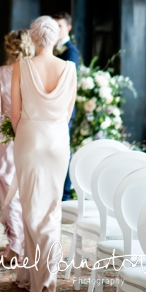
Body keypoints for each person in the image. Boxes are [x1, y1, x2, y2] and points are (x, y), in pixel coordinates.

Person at [8, 16, 77, 292]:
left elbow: (15, 113)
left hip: (30, 140)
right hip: (58, 143)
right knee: (51, 210)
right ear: (53, 37)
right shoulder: (69, 68)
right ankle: (38, 278)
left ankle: (39, 280)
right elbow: (68, 113)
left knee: (31, 208)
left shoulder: (21, 66)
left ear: (33, 38)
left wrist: (24, 133)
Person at [0, 30, 34, 260]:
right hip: (30, 136)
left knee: (9, 190)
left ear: (8, 48)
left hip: (6, 137)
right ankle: (25, 241)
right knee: (26, 190)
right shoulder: (35, 71)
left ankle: (15, 242)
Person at [52, 11, 80, 201]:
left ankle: (65, 193)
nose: (56, 30)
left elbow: (68, 83)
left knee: (63, 150)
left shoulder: (70, 51)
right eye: (54, 26)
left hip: (64, 108)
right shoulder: (53, 49)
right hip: (52, 108)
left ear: (68, 28)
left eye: (59, 26)